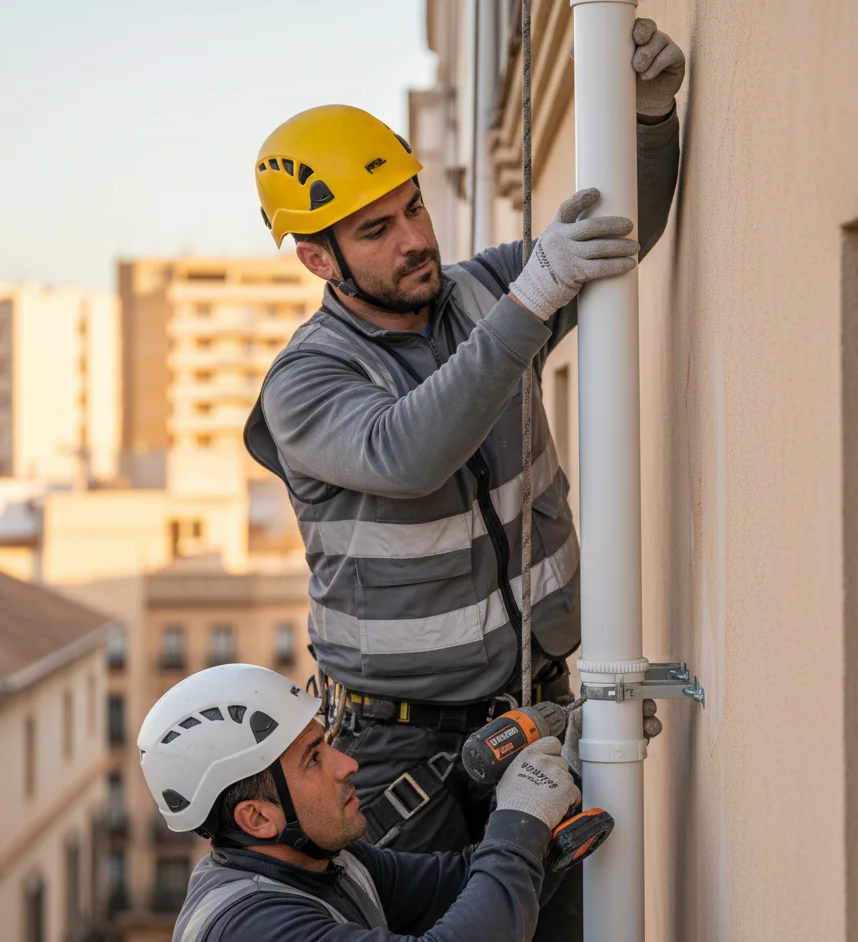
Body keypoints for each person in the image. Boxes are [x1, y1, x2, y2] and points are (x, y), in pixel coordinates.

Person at [243, 18, 683, 939]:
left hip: (538, 707)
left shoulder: (485, 292)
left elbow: (620, 240)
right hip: (404, 756)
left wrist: (647, 120)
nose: (415, 239)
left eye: (414, 208)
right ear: (317, 258)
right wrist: (533, 298)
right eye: (377, 229)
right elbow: (408, 452)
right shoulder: (306, 381)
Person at [139, 664, 584, 941]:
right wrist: (520, 822)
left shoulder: (328, 862)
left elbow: (463, 882)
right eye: (314, 759)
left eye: (325, 743)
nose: (348, 763)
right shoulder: (253, 928)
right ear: (257, 817)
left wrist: (570, 781)